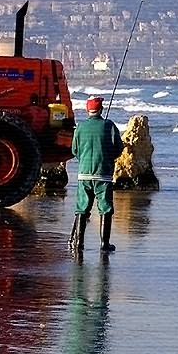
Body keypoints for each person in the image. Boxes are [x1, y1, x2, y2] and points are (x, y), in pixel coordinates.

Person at [69, 96, 125, 253]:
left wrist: (84, 160)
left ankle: (79, 244)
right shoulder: (109, 125)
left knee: (82, 208)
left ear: (88, 111)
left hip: (84, 174)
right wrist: (108, 158)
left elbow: (74, 150)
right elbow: (119, 148)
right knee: (105, 208)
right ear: (101, 110)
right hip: (103, 174)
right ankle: (104, 244)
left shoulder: (80, 127)